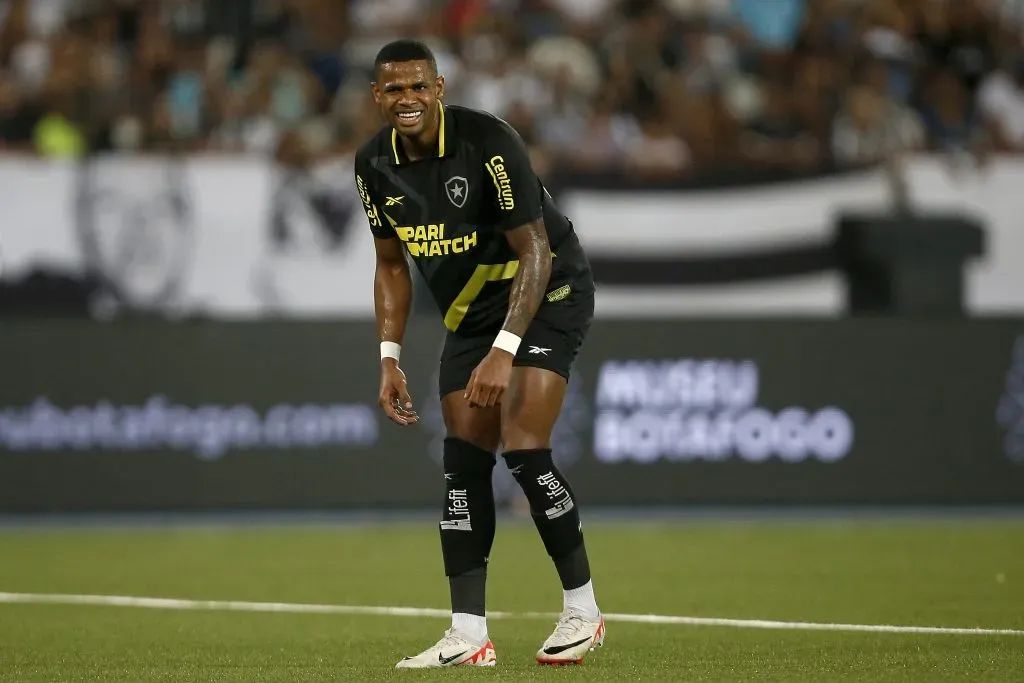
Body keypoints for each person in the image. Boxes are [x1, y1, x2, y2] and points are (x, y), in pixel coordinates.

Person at [353, 39, 604, 669]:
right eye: (393, 89)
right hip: (471, 315)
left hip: (548, 292)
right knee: (462, 463)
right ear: (376, 96)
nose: (406, 99)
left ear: (438, 88)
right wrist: (389, 356)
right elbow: (390, 266)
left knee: (522, 447)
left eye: (418, 86)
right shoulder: (371, 165)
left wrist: (506, 351)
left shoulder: (487, 142)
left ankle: (584, 611)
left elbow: (537, 253)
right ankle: (468, 635)